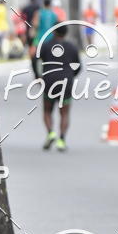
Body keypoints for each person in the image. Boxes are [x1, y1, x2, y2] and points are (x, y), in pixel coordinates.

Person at [39, 24, 81, 152]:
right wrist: (71, 76)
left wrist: (38, 76)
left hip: (49, 80)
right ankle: (61, 140)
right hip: (66, 82)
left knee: (47, 110)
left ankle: (51, 133)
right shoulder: (72, 47)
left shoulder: (46, 46)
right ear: (66, 33)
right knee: (64, 113)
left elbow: (37, 60)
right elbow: (78, 66)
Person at [20, 0, 40, 76]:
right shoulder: (38, 7)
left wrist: (25, 21)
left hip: (29, 31)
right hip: (37, 32)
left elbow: (21, 15)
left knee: (31, 49)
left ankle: (33, 64)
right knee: (38, 49)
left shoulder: (26, 8)